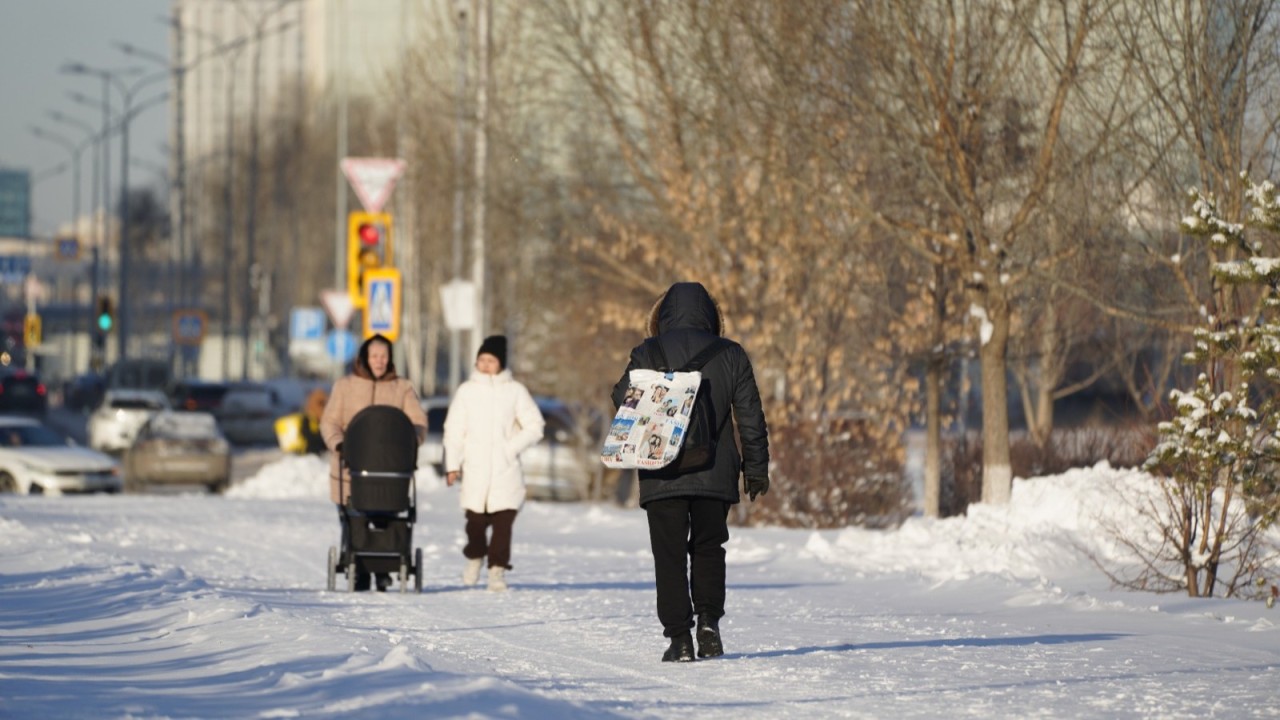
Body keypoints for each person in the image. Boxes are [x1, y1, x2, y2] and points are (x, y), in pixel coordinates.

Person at [611, 281, 770, 663]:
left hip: (660, 466)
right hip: (715, 471)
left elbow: (621, 398)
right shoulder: (731, 354)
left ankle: (679, 638)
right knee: (709, 548)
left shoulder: (647, 351)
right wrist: (757, 467)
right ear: (711, 315)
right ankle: (710, 624)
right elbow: (750, 416)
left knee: (668, 555)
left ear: (661, 316)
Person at [320, 333, 427, 591]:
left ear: (390, 359)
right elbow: (329, 421)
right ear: (365, 358)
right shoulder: (345, 386)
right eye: (374, 356)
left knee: (387, 517)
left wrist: (408, 442)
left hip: (390, 470)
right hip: (351, 468)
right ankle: (361, 570)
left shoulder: (402, 388)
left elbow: (418, 423)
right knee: (354, 518)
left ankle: (382, 568)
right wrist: (339, 443)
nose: (379, 361)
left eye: (384, 356)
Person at [443, 335, 545, 592]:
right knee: (475, 524)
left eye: (491, 360)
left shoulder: (515, 391)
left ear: (500, 363)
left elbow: (535, 426)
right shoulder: (466, 391)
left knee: (503, 524)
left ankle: (497, 570)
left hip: (505, 473)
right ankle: (474, 558)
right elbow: (454, 430)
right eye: (482, 360)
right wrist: (452, 464)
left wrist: (510, 448)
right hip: (475, 471)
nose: (486, 365)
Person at [298, 388, 329, 456]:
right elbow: (305, 433)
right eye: (321, 403)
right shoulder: (308, 417)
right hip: (310, 452)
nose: (323, 407)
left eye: (324, 403)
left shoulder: (324, 417)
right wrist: (320, 436)